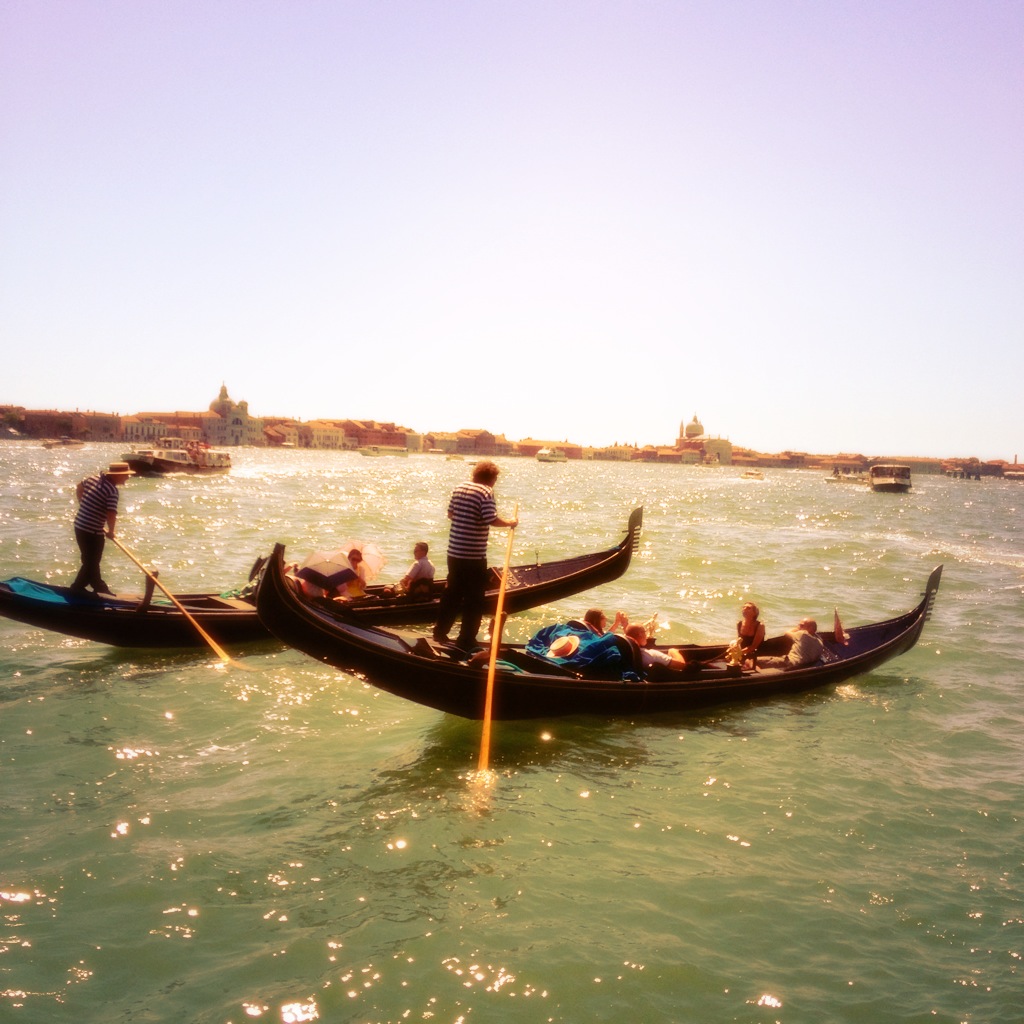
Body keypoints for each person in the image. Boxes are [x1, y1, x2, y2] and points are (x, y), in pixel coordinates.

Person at [433, 460, 517, 650]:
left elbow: (451, 514)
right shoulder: (486, 492)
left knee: (452, 594)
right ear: (492, 478)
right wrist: (511, 523)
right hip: (473, 556)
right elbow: (490, 519)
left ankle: (440, 632)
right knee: (474, 599)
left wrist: (467, 520)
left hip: (454, 552)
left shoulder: (460, 488)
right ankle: (466, 639)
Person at [70, 462, 133, 596]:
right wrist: (111, 531)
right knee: (91, 562)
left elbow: (79, 487)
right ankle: (77, 588)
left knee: (90, 561)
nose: (128, 477)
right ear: (117, 475)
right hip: (92, 531)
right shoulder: (112, 491)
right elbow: (111, 513)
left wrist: (83, 504)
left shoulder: (93, 479)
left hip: (80, 525)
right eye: (126, 475)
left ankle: (98, 585)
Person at [758, 618, 824, 670]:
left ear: (810, 628)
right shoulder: (820, 641)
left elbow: (787, 633)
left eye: (801, 625)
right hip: (804, 666)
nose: (799, 626)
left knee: (754, 660)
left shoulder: (802, 634)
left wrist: (797, 628)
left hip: (789, 663)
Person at [737, 602, 766, 667]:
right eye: (743, 607)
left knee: (748, 664)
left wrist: (739, 653)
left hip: (756, 654)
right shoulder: (739, 624)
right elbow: (739, 641)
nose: (744, 609)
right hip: (743, 653)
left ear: (755, 613)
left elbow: (754, 646)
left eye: (748, 608)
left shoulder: (760, 626)